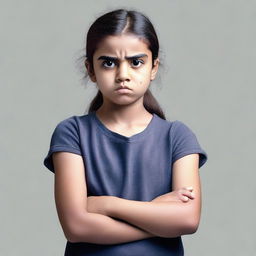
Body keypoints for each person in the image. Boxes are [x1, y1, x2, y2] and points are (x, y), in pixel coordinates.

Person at [43, 8, 208, 256]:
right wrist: (157, 217)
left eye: (136, 62)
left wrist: (106, 205)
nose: (123, 75)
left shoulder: (177, 136)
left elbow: (186, 220)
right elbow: (76, 227)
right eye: (109, 63)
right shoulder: (72, 133)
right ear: (91, 70)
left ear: (153, 67)